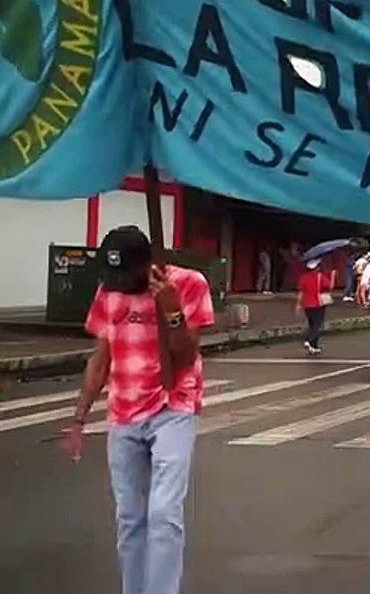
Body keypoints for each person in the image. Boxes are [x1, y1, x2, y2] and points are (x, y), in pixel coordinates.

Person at [62, 226, 215, 594]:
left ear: (148, 265)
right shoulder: (109, 291)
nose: (120, 285)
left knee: (163, 515)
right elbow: (101, 358)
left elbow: (186, 355)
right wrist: (79, 419)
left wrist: (172, 312)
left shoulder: (188, 284)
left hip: (172, 406)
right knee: (129, 518)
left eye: (128, 275)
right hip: (124, 411)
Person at [296, 259, 333, 355]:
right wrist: (332, 275)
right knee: (317, 325)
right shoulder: (320, 277)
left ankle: (313, 345)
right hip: (318, 303)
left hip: (307, 304)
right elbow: (330, 286)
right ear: (317, 268)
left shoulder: (303, 278)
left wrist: (298, 304)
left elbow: (301, 293)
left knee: (311, 323)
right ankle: (310, 341)